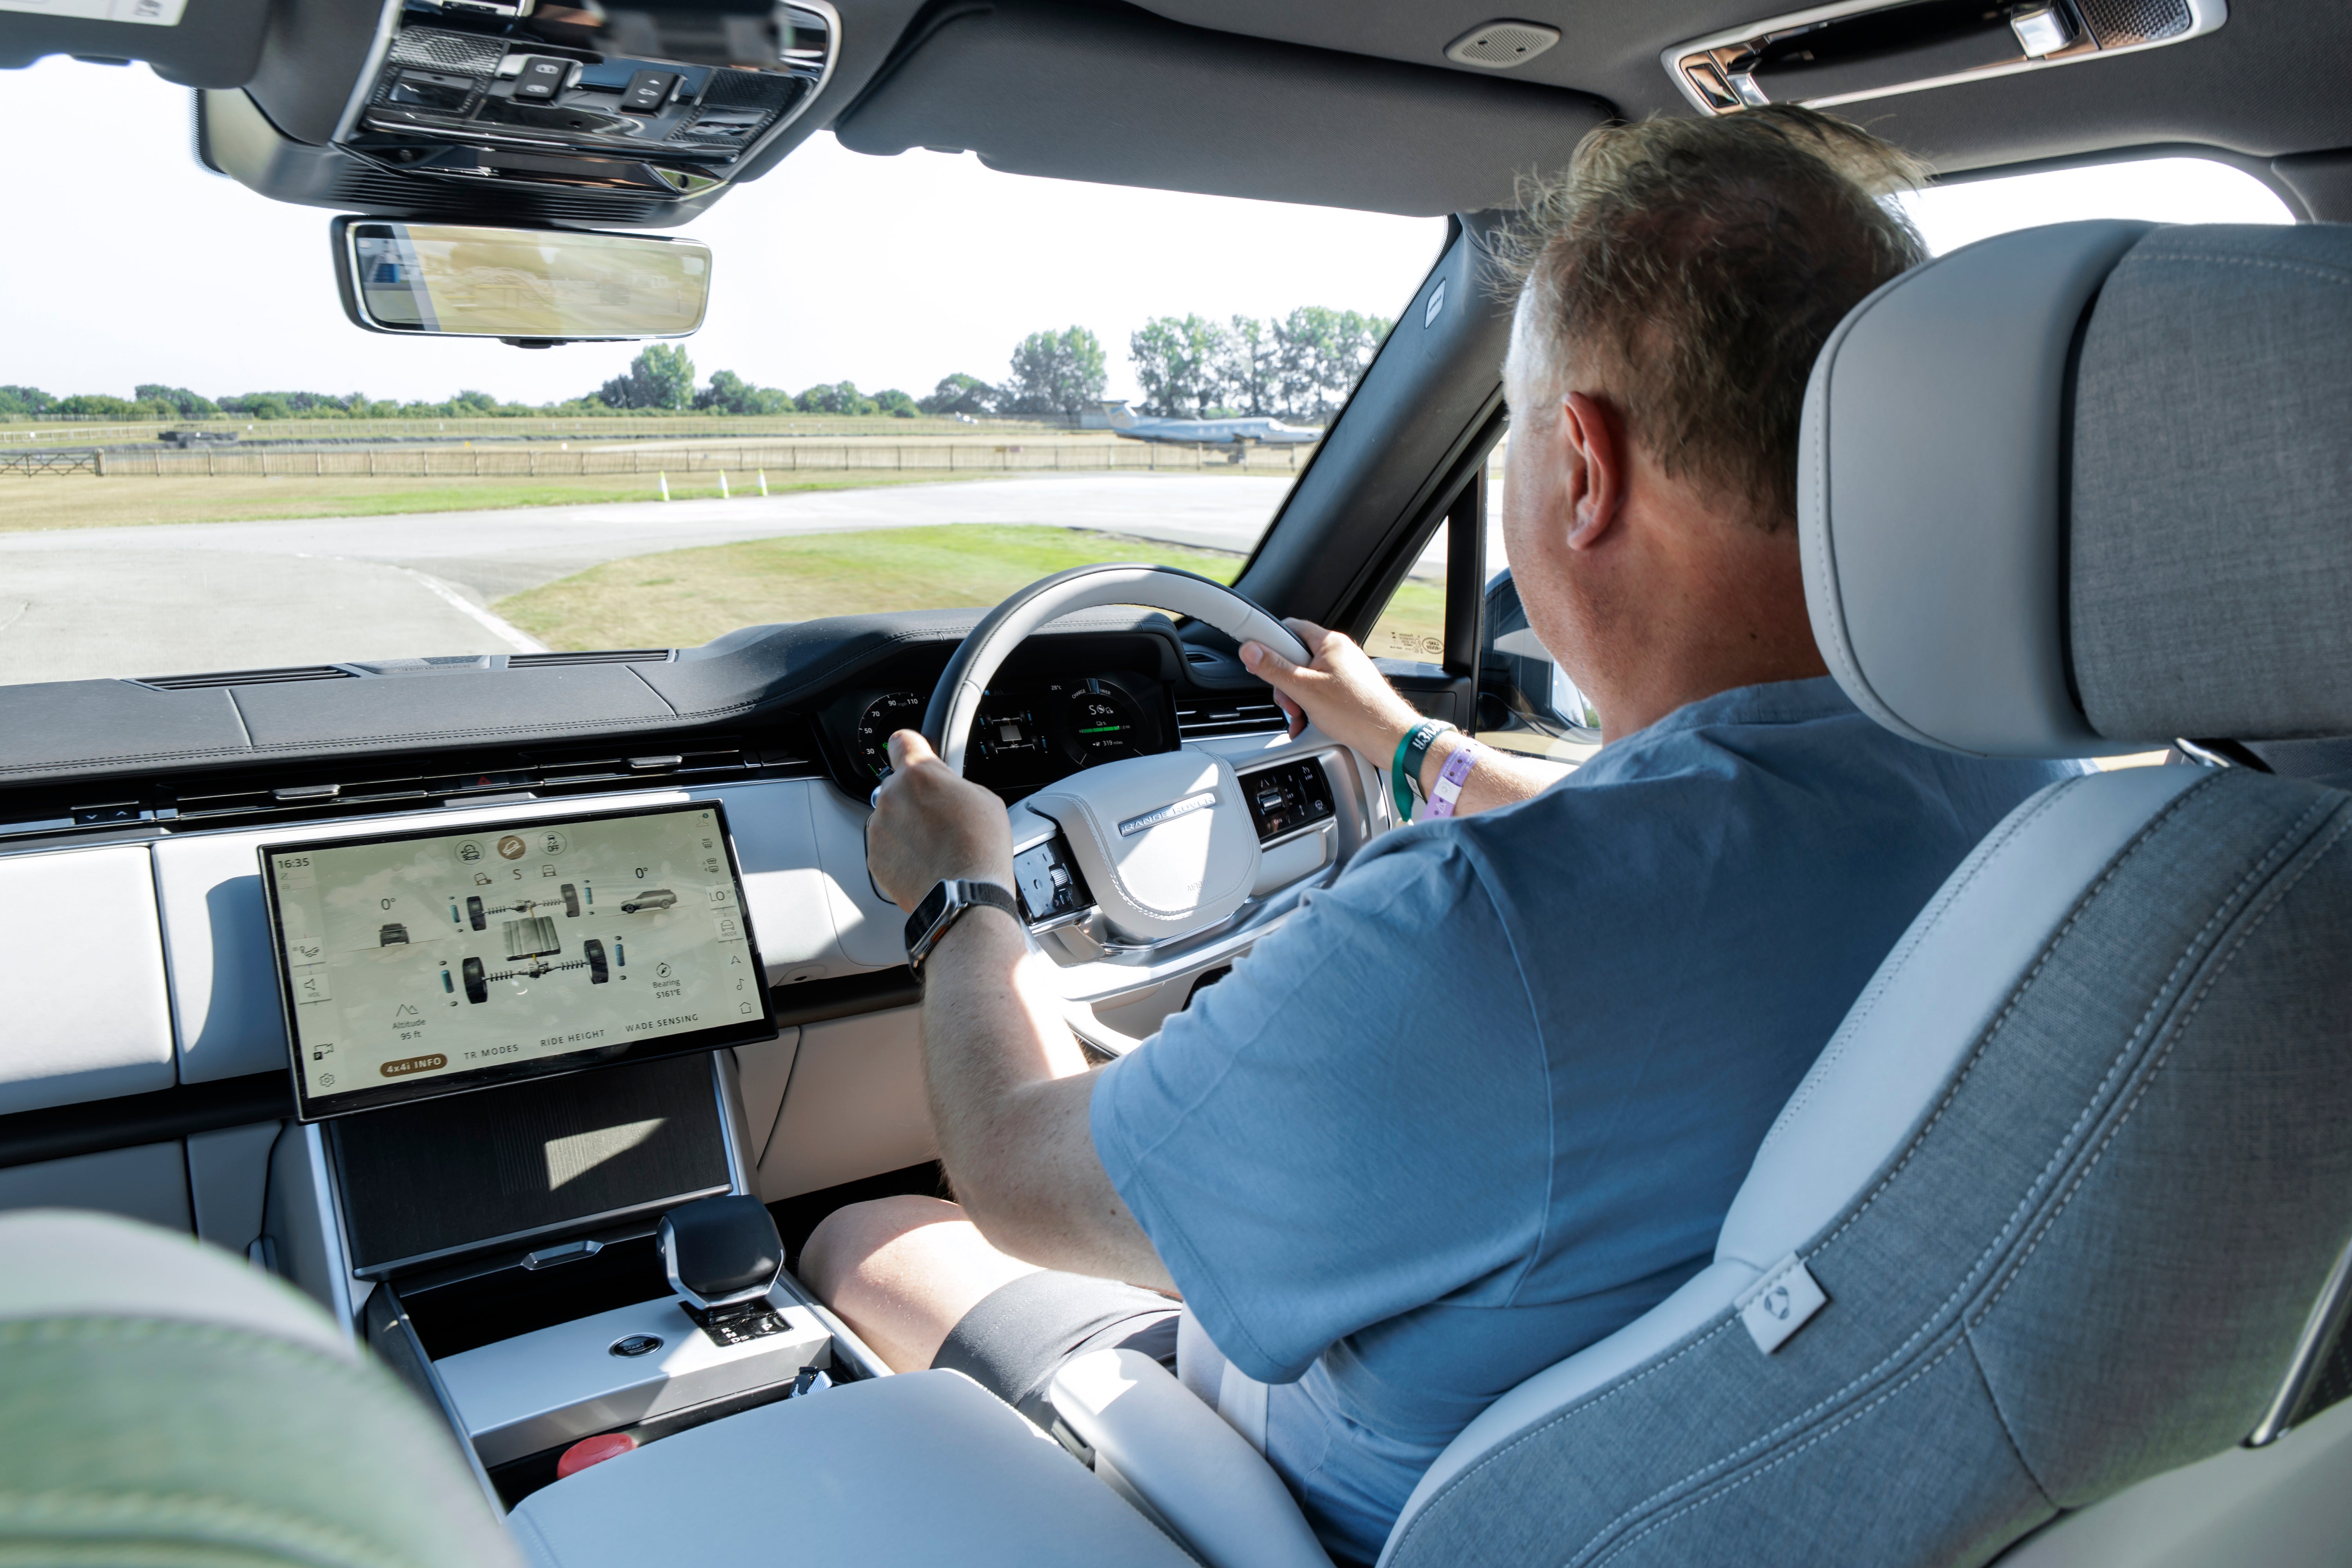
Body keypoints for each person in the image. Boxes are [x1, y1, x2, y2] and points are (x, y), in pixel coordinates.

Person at [804, 106, 2081, 1564]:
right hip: (1789, 1485)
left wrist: (962, 898)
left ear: (1582, 465)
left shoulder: (1481, 931)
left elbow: (1017, 1172)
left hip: (1323, 1512)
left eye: (1515, 431)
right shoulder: (2032, 790)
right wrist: (1405, 746)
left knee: (871, 1237)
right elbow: (1662, 852)